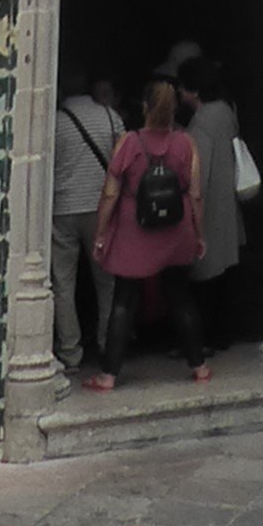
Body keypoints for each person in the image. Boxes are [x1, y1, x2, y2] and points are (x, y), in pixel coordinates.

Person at [83, 75, 210, 388]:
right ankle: (200, 366)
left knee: (124, 299)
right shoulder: (186, 143)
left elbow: (111, 192)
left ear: (144, 107)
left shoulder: (128, 142)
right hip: (175, 230)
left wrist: (101, 232)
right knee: (180, 296)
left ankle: (108, 374)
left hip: (134, 231)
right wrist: (198, 233)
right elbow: (195, 194)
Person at [50, 72, 122, 381]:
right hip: (100, 209)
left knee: (63, 283)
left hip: (62, 209)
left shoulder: (53, 121)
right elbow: (123, 165)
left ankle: (70, 353)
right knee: (106, 283)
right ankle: (108, 345)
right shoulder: (110, 116)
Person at [183, 53, 249, 344]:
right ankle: (222, 334)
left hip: (208, 207)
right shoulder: (227, 109)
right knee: (224, 276)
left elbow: (200, 172)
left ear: (194, 90)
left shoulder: (202, 121)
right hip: (227, 203)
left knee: (205, 278)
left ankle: (206, 340)